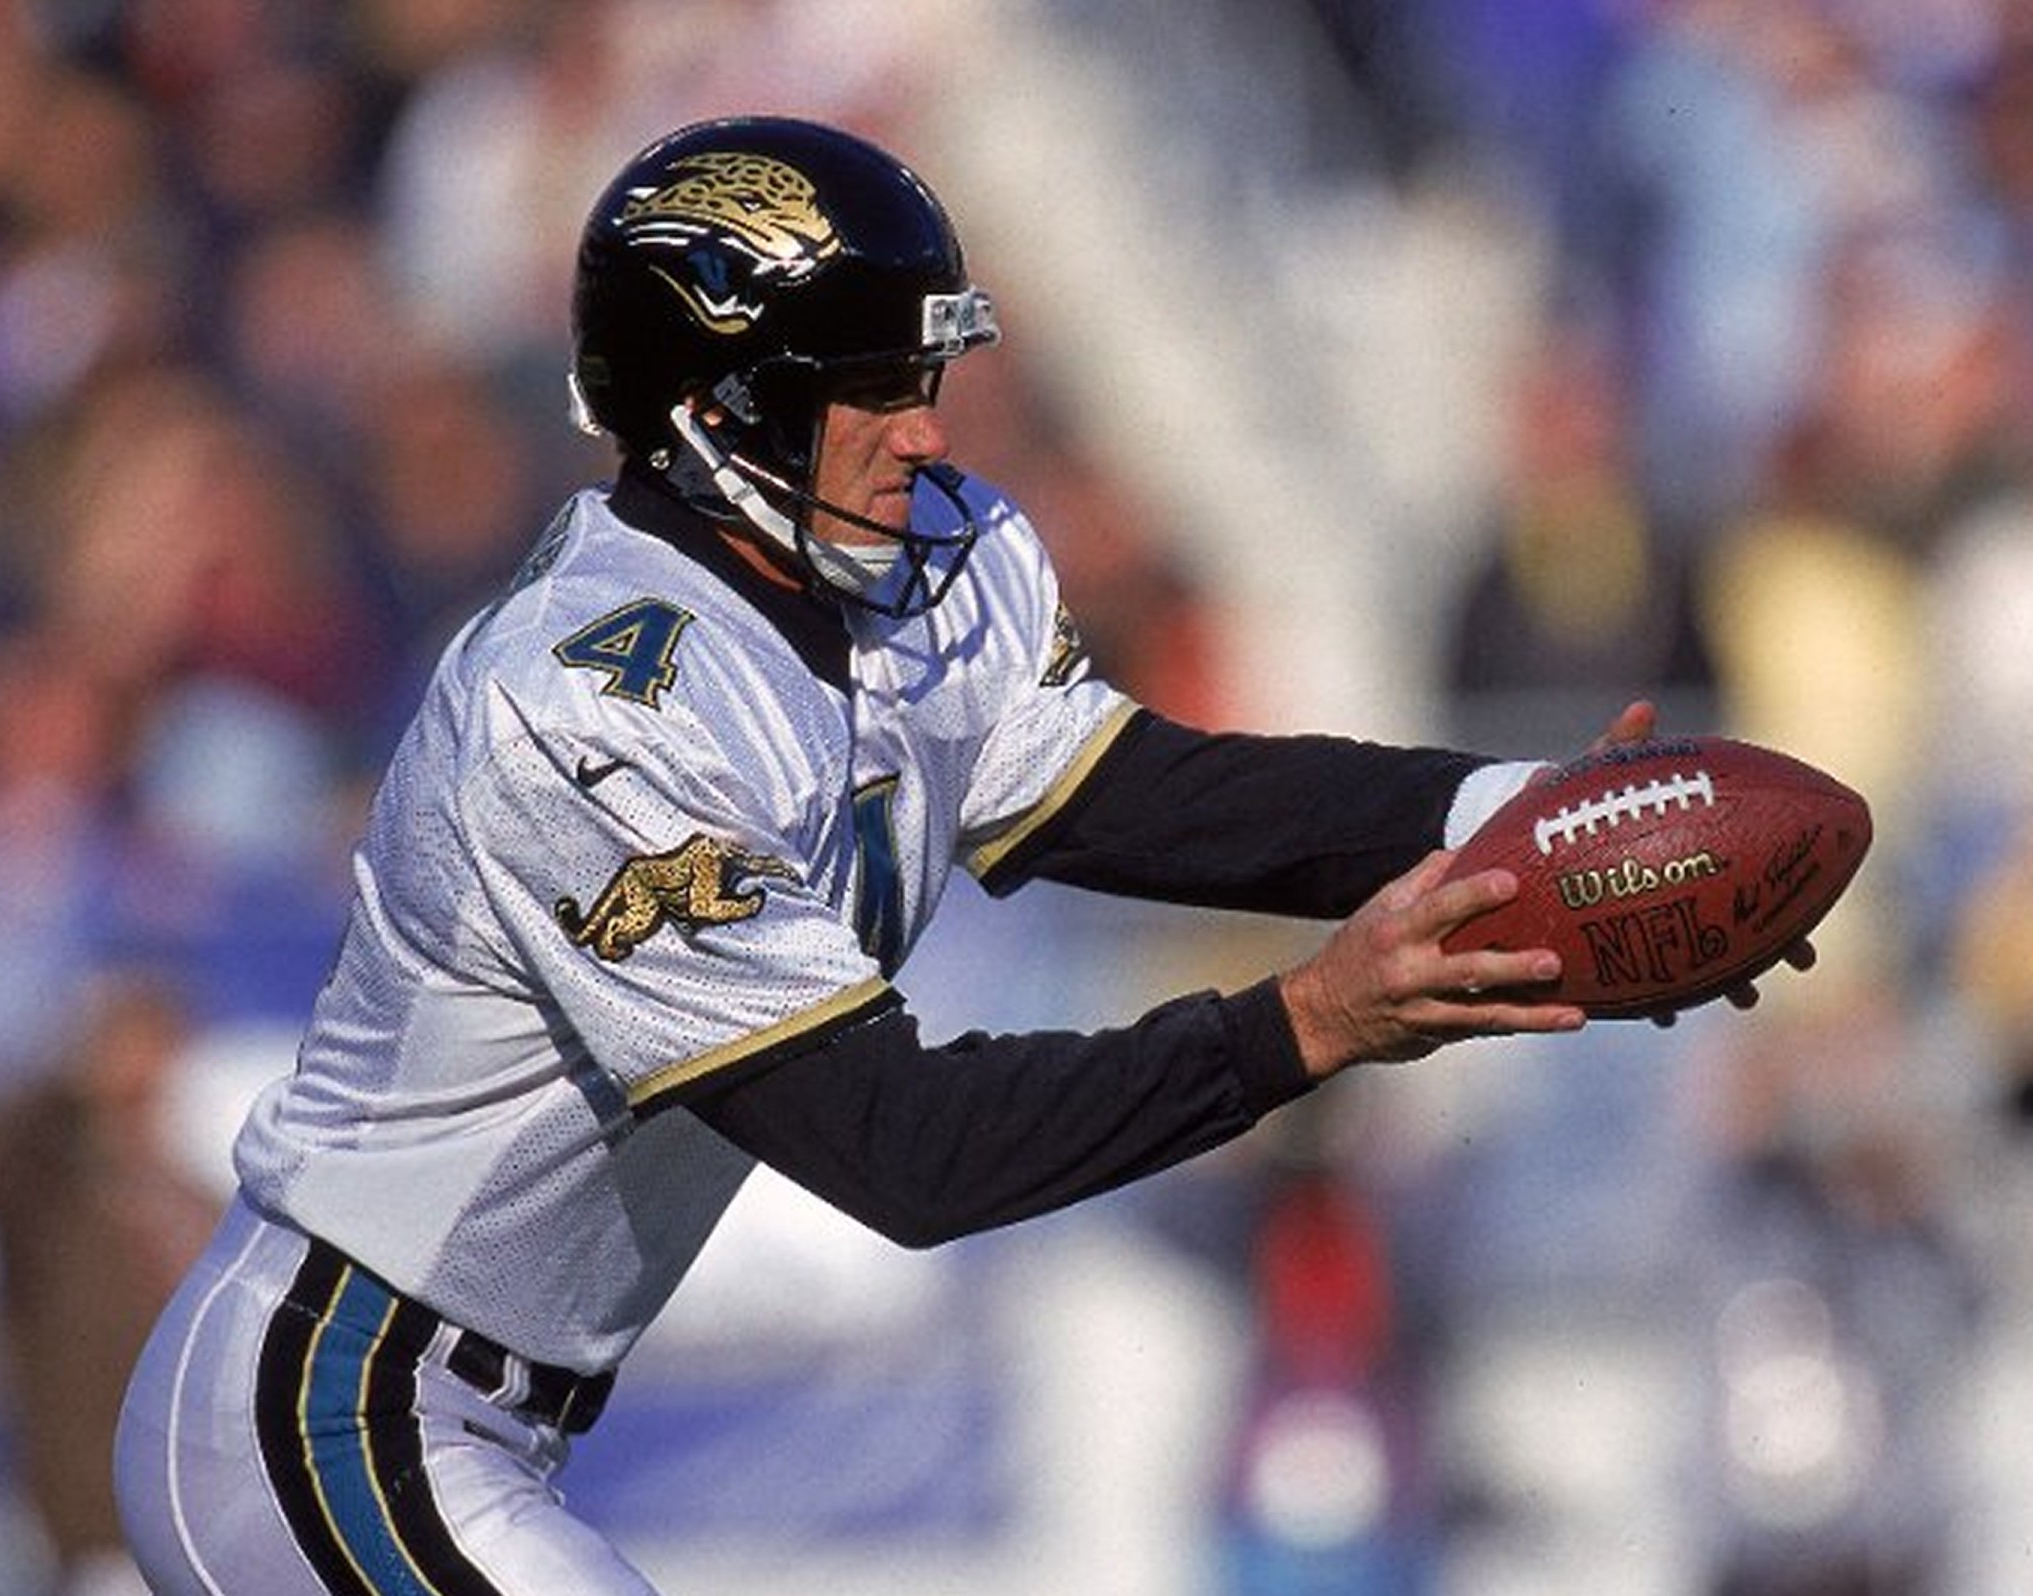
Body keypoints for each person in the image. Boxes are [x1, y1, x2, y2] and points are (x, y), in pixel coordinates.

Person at [111, 115, 1778, 1595]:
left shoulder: (926, 569)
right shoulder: (585, 704)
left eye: (926, 381)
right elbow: (905, 1153)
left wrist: (1517, 811)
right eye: (869, 392)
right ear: (722, 411)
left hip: (479, 1420)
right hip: (329, 1409)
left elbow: (1150, 797)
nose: (920, 434)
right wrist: (1316, 1023)